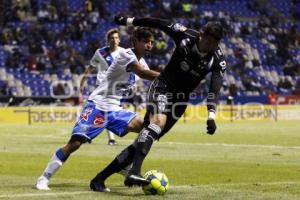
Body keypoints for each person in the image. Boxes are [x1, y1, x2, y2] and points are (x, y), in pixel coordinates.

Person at [90, 16, 227, 191]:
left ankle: (99, 179)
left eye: (215, 44)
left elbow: (214, 89)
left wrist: (211, 116)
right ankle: (135, 171)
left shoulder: (218, 59)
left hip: (180, 100)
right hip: (163, 86)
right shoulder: (185, 35)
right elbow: (159, 23)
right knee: (157, 123)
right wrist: (130, 21)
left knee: (144, 139)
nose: (211, 47)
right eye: (208, 42)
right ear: (201, 35)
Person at [35, 27, 160, 191]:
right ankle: (44, 178)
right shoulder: (126, 55)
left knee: (147, 130)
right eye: (145, 42)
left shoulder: (143, 62)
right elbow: (143, 73)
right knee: (75, 143)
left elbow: (147, 77)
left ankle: (123, 164)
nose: (149, 45)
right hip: (97, 105)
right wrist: (170, 77)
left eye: (151, 42)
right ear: (134, 41)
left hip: (115, 109)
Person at [80, 28, 123, 145]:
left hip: (115, 88)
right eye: (112, 38)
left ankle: (88, 135)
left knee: (103, 112)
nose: (114, 40)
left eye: (116, 38)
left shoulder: (124, 53)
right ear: (108, 40)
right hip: (101, 86)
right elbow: (90, 67)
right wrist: (82, 81)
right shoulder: (100, 53)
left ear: (119, 40)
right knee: (103, 112)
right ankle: (111, 139)